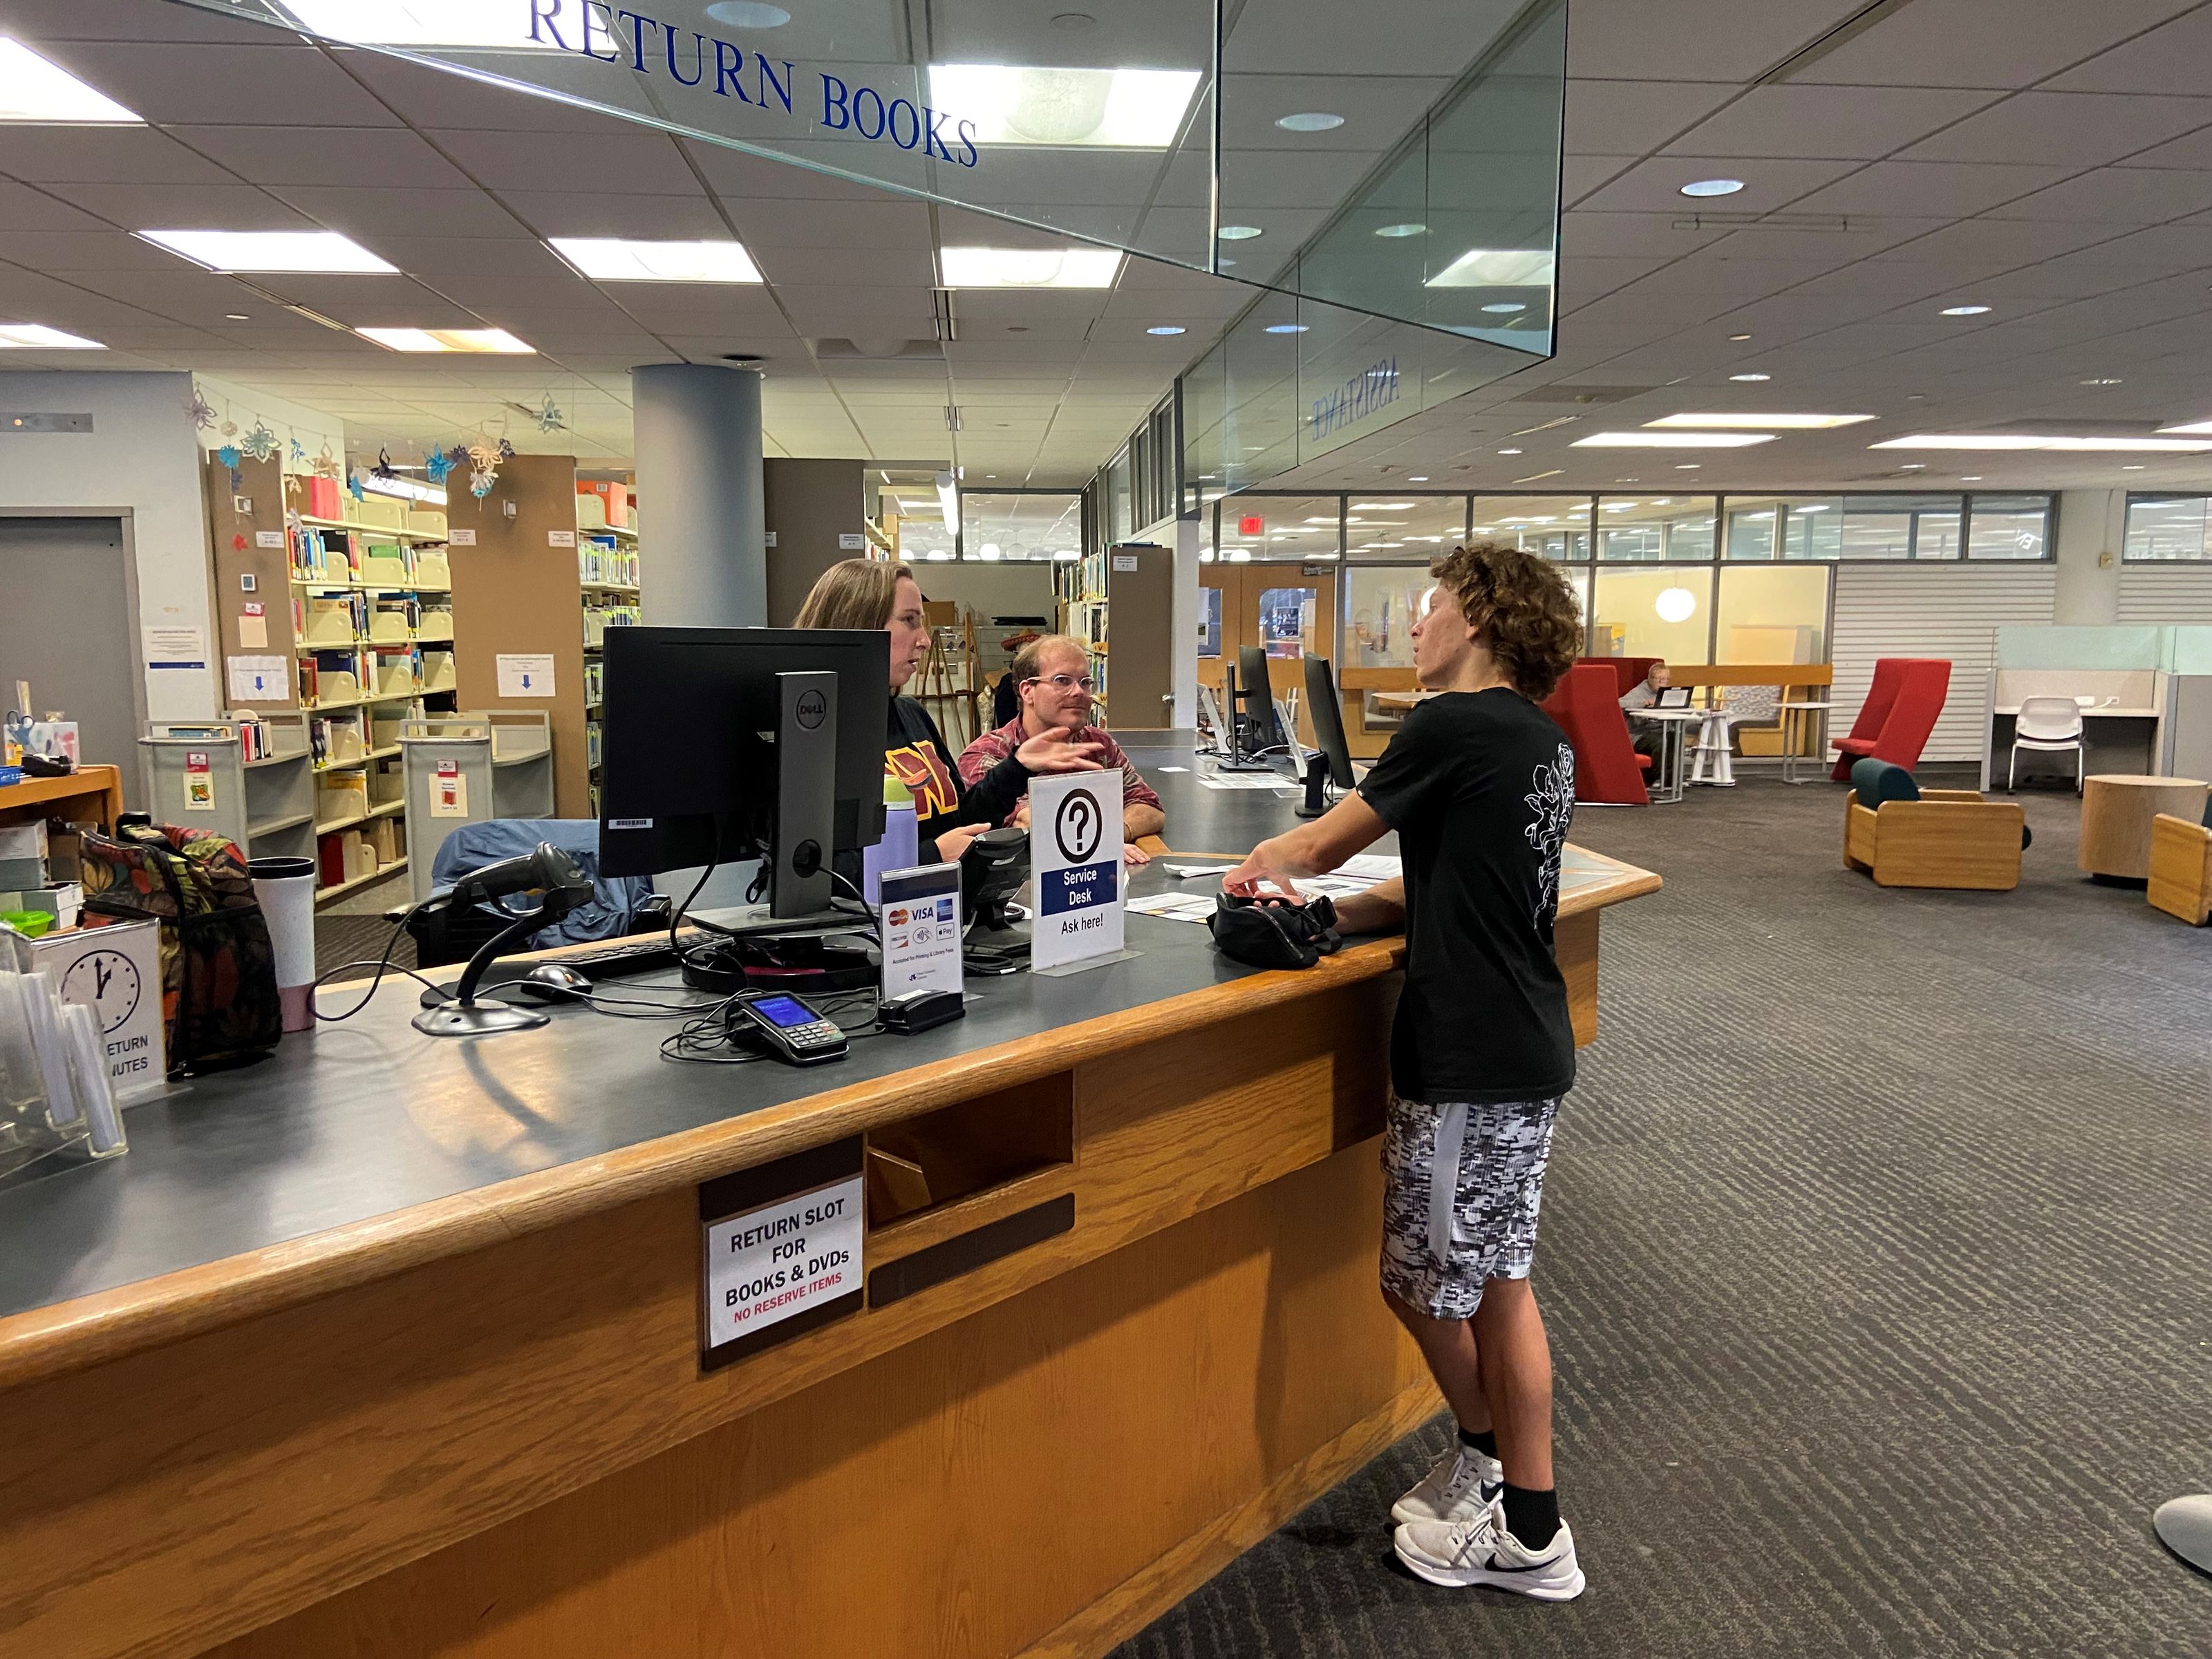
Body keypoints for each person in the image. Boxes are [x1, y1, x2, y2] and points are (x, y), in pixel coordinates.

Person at [1220, 541, 1588, 1602]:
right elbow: (1448, 884)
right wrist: (1333, 914)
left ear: (1474, 616)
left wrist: (1266, 870)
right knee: (1498, 1281)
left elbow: (1327, 846)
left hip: (1468, 1062)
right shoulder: (1534, 740)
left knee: (1425, 1283)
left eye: (1426, 609)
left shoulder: (1451, 723)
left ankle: (1524, 1525)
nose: (1411, 628)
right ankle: (1507, 1494)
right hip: (1521, 1042)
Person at [794, 559, 1102, 868]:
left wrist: (1017, 768)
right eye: (909, 620)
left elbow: (959, 822)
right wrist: (932, 856)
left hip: (935, 910)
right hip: (866, 917)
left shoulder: (911, 714)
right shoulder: (811, 735)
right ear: (859, 624)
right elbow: (807, 871)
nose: (925, 640)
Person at [957, 634, 1165, 866]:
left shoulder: (1098, 745)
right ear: (1027, 691)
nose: (1078, 692)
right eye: (1063, 680)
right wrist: (1100, 844)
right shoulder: (988, 754)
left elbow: (1149, 806)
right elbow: (1024, 821)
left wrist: (1113, 837)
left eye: (1085, 682)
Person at [1619, 659, 1670, 763]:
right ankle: (1653, 777)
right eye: (1658, 679)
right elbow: (1620, 702)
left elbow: (1690, 705)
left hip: (1662, 731)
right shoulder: (1640, 691)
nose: (1661, 682)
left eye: (1664, 679)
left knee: (1674, 739)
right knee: (1661, 741)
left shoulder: (1667, 693)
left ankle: (1671, 778)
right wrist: (1643, 703)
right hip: (1640, 735)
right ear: (1650, 679)